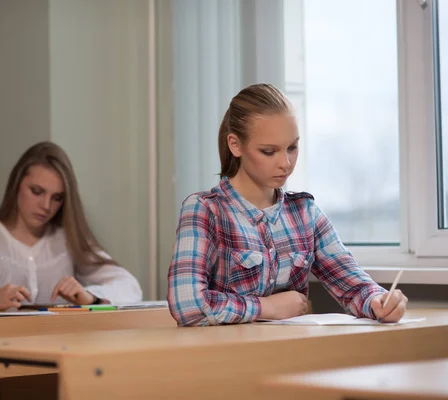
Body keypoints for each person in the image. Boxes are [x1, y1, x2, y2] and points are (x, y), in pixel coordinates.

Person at [167, 83, 408, 327]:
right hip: (226, 360)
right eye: (269, 151)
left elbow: (354, 285)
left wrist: (380, 301)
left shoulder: (305, 213)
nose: (286, 163)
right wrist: (268, 307)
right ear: (235, 145)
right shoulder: (204, 210)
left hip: (292, 355)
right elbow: (188, 306)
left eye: (292, 148)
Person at [0, 141, 142, 312]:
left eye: (57, 198)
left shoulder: (66, 238)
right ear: (16, 184)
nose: (46, 206)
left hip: (60, 345)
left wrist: (90, 296)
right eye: (36, 192)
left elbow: (129, 286)